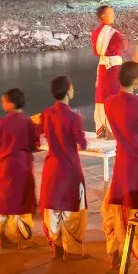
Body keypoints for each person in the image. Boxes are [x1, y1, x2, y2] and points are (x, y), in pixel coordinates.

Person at [101, 62, 138, 269]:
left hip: (121, 164)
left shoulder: (109, 103)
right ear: (136, 81)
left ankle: (115, 255)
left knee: (116, 211)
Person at [37, 76, 88, 260]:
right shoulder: (74, 117)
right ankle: (71, 249)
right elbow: (82, 144)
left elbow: (37, 134)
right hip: (70, 169)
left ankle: (57, 245)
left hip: (52, 167)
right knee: (72, 210)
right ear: (68, 91)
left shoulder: (46, 114)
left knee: (53, 209)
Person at [0, 88, 37, 248]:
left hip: (5, 165)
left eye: (4, 101)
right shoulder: (28, 122)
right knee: (23, 200)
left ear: (10, 104)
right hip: (23, 165)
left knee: (3, 200)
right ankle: (22, 239)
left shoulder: (0, 123)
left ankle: (1, 236)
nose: (2, 104)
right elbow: (34, 144)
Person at [92, 4, 128, 138]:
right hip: (112, 69)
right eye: (111, 13)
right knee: (112, 96)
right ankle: (113, 130)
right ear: (103, 16)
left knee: (102, 95)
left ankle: (103, 128)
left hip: (103, 68)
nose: (113, 15)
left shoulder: (97, 33)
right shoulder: (113, 34)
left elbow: (98, 52)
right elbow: (123, 45)